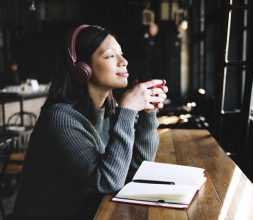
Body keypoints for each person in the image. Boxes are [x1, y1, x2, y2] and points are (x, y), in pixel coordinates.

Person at [10, 24, 168, 219]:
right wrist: (126, 111)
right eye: (111, 56)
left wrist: (148, 115)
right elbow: (107, 181)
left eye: (122, 54)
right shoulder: (60, 118)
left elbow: (136, 170)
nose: (123, 61)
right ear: (82, 68)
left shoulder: (108, 108)